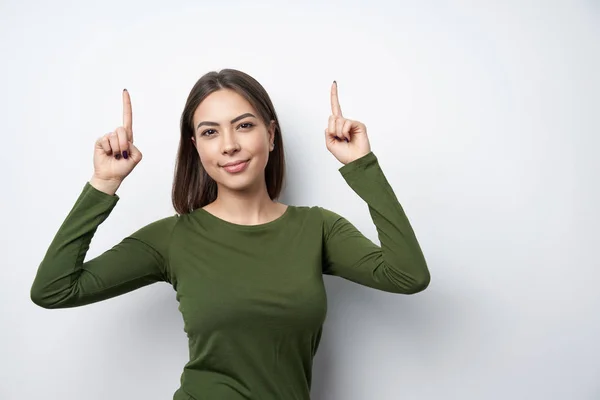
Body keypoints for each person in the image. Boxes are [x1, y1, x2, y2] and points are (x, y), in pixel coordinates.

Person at [30, 69, 430, 400]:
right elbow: (54, 290)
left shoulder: (317, 228)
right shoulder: (173, 239)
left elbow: (408, 276)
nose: (230, 145)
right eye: (210, 132)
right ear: (196, 149)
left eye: (244, 126)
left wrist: (362, 166)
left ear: (270, 135)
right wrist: (104, 182)